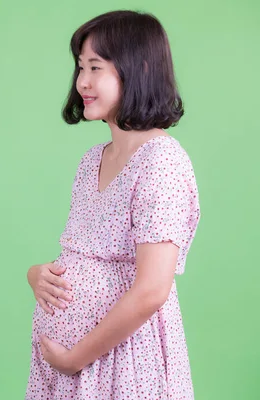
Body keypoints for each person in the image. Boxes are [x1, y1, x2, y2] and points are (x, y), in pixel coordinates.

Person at [25, 10, 201, 399]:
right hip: (69, 368)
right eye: (79, 67)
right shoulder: (92, 160)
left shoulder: (161, 161)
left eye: (95, 68)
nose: (82, 82)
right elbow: (85, 255)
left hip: (125, 363)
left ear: (137, 69)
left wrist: (74, 358)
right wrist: (38, 275)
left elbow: (152, 290)